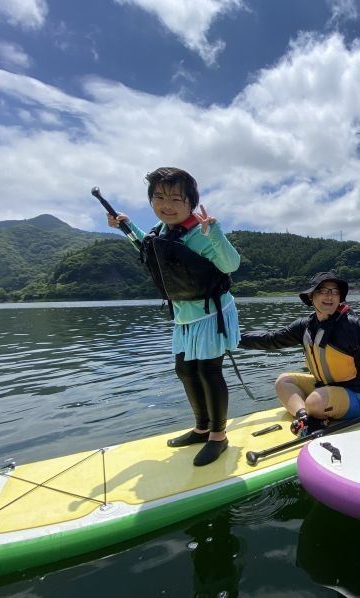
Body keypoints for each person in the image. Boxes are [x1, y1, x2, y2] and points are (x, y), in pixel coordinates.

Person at [107, 167, 240, 466]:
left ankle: (218, 436)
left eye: (176, 199)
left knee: (208, 371)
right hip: (183, 315)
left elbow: (231, 264)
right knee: (185, 370)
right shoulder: (161, 231)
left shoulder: (202, 233)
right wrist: (125, 226)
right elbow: (149, 248)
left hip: (211, 313)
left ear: (191, 202)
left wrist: (215, 232)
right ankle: (202, 428)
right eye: (159, 197)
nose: (166, 205)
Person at [238, 272, 360, 436]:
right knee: (283, 381)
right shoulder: (305, 326)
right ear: (311, 296)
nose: (330, 296)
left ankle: (314, 414)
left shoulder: (351, 324)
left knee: (315, 401)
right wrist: (233, 339)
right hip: (324, 389)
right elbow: (272, 339)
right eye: (323, 291)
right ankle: (304, 417)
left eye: (335, 291)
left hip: (356, 397)